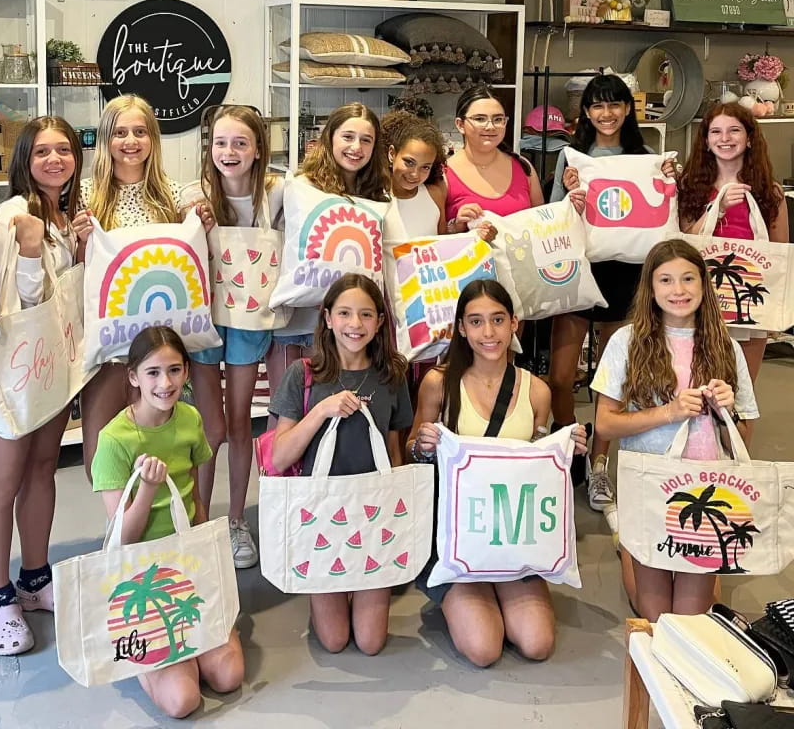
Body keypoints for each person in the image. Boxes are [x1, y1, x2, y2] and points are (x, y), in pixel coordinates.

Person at [406, 280, 587, 667]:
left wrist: (572, 452)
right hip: (457, 535)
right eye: (476, 321)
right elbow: (410, 452)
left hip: (513, 534)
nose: (488, 333)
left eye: (497, 320)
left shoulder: (537, 391)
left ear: (514, 325)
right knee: (484, 649)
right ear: (461, 328)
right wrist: (422, 445)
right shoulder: (438, 384)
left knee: (537, 643)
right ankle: (457, 593)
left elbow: (542, 468)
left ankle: (496, 589)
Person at [591, 238, 758, 621]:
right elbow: (605, 423)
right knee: (656, 616)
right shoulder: (626, 342)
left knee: (689, 618)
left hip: (706, 489)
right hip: (650, 487)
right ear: (650, 288)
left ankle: (692, 574)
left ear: (704, 284)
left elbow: (744, 434)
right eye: (665, 280)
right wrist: (669, 411)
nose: (678, 290)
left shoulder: (726, 347)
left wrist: (726, 412)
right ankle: (629, 549)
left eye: (688, 279)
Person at [91, 326, 244, 718]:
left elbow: (192, 494)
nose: (166, 383)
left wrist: (207, 559)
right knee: (182, 701)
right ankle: (146, 660)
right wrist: (146, 489)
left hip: (185, 565)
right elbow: (121, 538)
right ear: (133, 377)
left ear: (187, 371)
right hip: (141, 575)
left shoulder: (190, 419)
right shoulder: (114, 440)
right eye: (153, 372)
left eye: (175, 370)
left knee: (229, 675)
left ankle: (187, 648)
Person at [0, 116, 88, 655]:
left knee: (43, 468)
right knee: (2, 481)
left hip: (50, 365)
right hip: (13, 364)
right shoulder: (13, 216)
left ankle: (35, 577)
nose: (54, 159)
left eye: (63, 150)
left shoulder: (63, 215)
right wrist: (27, 248)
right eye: (42, 151)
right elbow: (20, 300)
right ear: (24, 157)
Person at [547, 73, 676, 510]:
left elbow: (662, 211)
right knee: (561, 377)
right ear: (585, 112)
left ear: (627, 109)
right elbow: (549, 220)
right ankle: (572, 448)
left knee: (611, 380)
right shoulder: (572, 160)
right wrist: (568, 197)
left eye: (615, 104)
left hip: (629, 276)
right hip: (579, 272)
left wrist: (667, 181)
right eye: (598, 105)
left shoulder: (647, 158)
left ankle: (600, 466)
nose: (607, 114)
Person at [269, 274, 412, 655]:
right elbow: (279, 456)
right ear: (327, 317)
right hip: (321, 512)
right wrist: (320, 410)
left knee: (370, 642)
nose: (355, 324)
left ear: (380, 322)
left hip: (373, 514)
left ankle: (357, 587)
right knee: (333, 641)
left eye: (366, 315)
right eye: (345, 313)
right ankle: (332, 591)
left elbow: (394, 451)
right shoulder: (303, 374)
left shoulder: (392, 374)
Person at [178, 105, 285, 570]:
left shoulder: (278, 195)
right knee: (209, 427)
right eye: (221, 143)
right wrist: (191, 228)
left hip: (249, 319)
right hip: (205, 319)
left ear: (258, 148)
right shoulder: (194, 195)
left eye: (240, 142)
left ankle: (237, 519)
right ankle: (201, 521)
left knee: (241, 422)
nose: (229, 151)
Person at [74, 95, 181, 490]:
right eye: (120, 133)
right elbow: (79, 271)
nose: (130, 141)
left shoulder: (171, 195)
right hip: (107, 348)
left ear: (153, 138)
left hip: (158, 351)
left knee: (158, 449)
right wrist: (82, 242)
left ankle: (158, 530)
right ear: (106, 139)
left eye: (140, 132)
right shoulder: (86, 196)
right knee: (101, 453)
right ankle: (118, 533)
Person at [265, 103, 390, 410]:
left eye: (366, 140)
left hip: (347, 329)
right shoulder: (299, 184)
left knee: (330, 410)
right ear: (330, 138)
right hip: (296, 322)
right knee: (287, 410)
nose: (355, 147)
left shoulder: (379, 196)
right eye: (347, 136)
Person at [678, 101, 789, 384]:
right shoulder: (690, 186)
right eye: (716, 131)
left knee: (742, 392)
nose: (724, 139)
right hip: (700, 299)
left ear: (750, 138)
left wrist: (776, 311)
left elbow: (779, 255)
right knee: (698, 386)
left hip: (751, 302)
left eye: (734, 131)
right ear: (706, 140)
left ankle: (738, 431)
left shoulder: (769, 191)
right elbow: (684, 242)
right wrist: (719, 207)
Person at [443, 85, 545, 242]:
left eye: (498, 119)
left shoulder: (523, 167)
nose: (490, 126)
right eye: (479, 119)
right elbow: (429, 235)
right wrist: (455, 227)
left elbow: (543, 226)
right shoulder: (443, 174)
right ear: (460, 124)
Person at [380, 109, 447, 238]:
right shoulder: (373, 197)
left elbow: (442, 245)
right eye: (409, 162)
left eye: (425, 167)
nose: (415, 174)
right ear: (392, 154)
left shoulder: (435, 195)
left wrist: (457, 226)